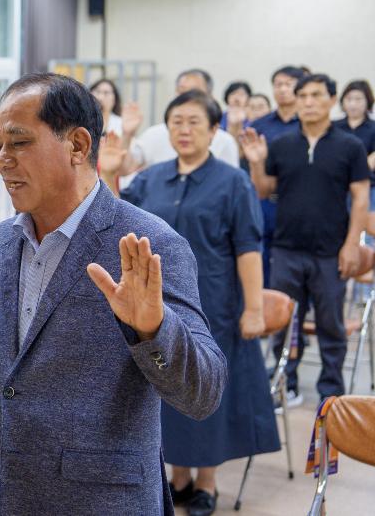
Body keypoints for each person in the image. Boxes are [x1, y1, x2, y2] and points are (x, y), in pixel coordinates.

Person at [0, 73, 227, 514]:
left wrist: (154, 329)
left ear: (77, 144)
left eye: (19, 142)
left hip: (95, 498)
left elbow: (203, 394)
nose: (2, 160)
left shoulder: (149, 245)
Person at [101, 91, 279, 516]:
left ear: (215, 130)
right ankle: (178, 478)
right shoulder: (151, 178)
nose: (184, 130)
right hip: (157, 304)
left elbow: (248, 248)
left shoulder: (233, 181)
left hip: (216, 301)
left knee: (205, 387)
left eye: (194, 122)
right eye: (176, 122)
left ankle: (207, 482)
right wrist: (107, 173)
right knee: (165, 387)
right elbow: (113, 219)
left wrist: (254, 308)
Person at [243, 73, 370, 405]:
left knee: (330, 324)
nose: (309, 102)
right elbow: (264, 189)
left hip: (331, 251)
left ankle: (331, 391)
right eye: (303, 96)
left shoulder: (350, 146)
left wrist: (352, 245)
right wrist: (256, 163)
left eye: (316, 95)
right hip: (286, 248)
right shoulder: (283, 144)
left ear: (332, 100)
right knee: (287, 322)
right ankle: (287, 383)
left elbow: (360, 199)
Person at [245, 66, 306, 287]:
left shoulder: (307, 125)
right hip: (264, 201)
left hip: (297, 202)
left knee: (293, 266)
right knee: (261, 257)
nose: (282, 89)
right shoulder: (260, 125)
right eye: (278, 84)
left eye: (288, 84)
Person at [120, 69, 240, 181]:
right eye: (181, 92)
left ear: (210, 97)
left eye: (194, 93)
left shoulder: (224, 141)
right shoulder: (154, 134)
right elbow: (125, 169)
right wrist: (127, 135)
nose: (187, 98)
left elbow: (231, 182)